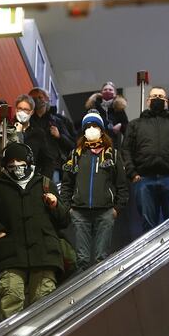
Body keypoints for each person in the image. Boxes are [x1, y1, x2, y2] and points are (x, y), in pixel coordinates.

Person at [0, 143, 70, 318]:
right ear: (5, 165)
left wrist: (55, 205)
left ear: (28, 162)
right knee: (11, 297)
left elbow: (64, 220)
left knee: (44, 305)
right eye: (11, 163)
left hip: (45, 254)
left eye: (20, 162)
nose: (16, 167)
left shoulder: (44, 184)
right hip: (11, 256)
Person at [60, 110, 128, 272]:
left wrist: (117, 209)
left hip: (105, 213)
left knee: (101, 258)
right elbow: (67, 183)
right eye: (88, 126)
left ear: (101, 130)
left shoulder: (112, 154)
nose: (91, 129)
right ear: (83, 130)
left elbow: (122, 185)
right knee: (81, 260)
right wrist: (69, 208)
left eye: (95, 126)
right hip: (79, 213)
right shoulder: (75, 155)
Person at [120, 86, 169, 232]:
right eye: (154, 96)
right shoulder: (135, 125)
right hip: (144, 179)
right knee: (148, 224)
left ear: (166, 101)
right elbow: (126, 149)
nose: (157, 99)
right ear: (148, 101)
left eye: (161, 96)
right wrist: (132, 174)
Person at [28, 87, 78, 179]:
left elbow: (74, 144)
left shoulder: (59, 121)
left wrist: (60, 136)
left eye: (40, 97)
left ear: (47, 99)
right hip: (32, 167)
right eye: (34, 98)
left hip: (55, 167)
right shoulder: (27, 121)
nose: (37, 100)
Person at [13, 94, 56, 180]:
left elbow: (48, 161)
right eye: (20, 109)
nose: (22, 112)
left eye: (26, 110)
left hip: (31, 180)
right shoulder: (7, 130)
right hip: (10, 178)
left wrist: (44, 182)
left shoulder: (38, 133)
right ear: (15, 110)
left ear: (32, 112)